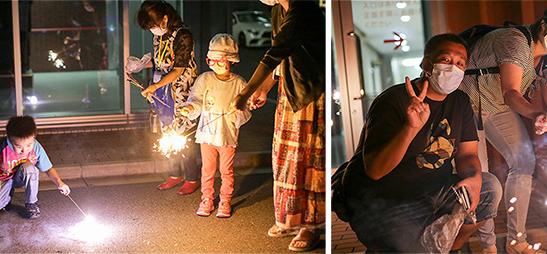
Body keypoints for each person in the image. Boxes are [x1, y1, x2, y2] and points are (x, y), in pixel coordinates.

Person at [333, 33, 501, 252]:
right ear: (426, 64)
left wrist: (476, 179)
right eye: (446, 60)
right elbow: (375, 171)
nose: (454, 67)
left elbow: (467, 155)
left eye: (460, 63)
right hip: (382, 200)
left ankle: (451, 248)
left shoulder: (460, 101)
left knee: (489, 188)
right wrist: (411, 127)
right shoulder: (394, 100)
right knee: (415, 248)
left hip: (431, 193)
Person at [458, 2, 547, 253]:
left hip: (495, 106)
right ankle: (488, 245)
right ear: (545, 23)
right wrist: (535, 113)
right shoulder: (515, 40)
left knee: (524, 161)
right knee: (475, 173)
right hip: (466, 103)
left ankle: (517, 240)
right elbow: (511, 93)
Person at [232, 0, 325, 251]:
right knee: (284, 157)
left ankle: (311, 225)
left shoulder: (303, 7)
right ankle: (289, 217)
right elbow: (280, 54)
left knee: (309, 159)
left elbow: (277, 51)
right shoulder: (277, 11)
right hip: (289, 90)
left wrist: (245, 93)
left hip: (311, 92)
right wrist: (264, 88)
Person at [131, 0, 200, 195]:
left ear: (165, 18)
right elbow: (160, 60)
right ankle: (174, 174)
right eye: (149, 28)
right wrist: (142, 64)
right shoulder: (159, 36)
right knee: (167, 132)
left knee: (184, 135)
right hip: (163, 93)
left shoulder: (183, 35)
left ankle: (192, 178)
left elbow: (178, 70)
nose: (152, 30)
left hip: (182, 93)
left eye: (153, 26)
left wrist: (154, 86)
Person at [181, 34, 251, 218]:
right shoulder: (205, 79)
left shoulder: (240, 84)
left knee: (226, 171)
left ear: (231, 61)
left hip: (227, 135)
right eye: (211, 60)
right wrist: (190, 108)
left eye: (220, 60)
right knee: (207, 169)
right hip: (206, 133)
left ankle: (225, 201)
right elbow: (196, 99)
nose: (215, 64)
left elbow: (247, 108)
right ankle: (206, 199)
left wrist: (238, 113)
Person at [0, 116, 71, 219]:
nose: (24, 151)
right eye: (19, 146)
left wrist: (59, 183)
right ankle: (7, 195)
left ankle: (31, 203)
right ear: (10, 140)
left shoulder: (36, 147)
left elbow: (48, 169)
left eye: (28, 145)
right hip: (3, 178)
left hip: (21, 177)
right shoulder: (1, 146)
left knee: (30, 168)